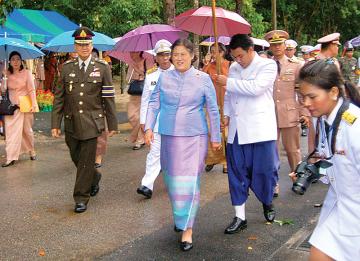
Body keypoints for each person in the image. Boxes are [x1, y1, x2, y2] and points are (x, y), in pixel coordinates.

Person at [144, 39, 221, 251]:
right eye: (175, 54)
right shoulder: (164, 77)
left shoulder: (203, 78)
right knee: (172, 181)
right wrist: (148, 128)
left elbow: (213, 110)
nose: (178, 58)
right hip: (168, 135)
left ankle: (187, 229)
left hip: (194, 137)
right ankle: (181, 217)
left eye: (182, 54)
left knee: (189, 182)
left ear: (192, 56)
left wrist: (216, 136)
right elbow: (154, 102)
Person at [215, 34, 279, 234]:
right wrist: (225, 114)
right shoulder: (234, 68)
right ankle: (239, 216)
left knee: (265, 171)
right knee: (236, 173)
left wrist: (227, 82)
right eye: (234, 57)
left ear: (250, 50)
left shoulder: (268, 66)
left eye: (241, 56)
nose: (238, 60)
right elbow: (229, 94)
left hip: (260, 130)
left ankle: (267, 201)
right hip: (237, 130)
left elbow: (256, 88)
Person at [297, 59, 360, 261]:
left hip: (355, 213)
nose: (306, 103)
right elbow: (333, 161)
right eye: (302, 97)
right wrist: (314, 170)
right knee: (318, 254)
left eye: (312, 96)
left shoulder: (355, 126)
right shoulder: (325, 119)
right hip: (340, 207)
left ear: (333, 92)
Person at [51, 26, 118, 213]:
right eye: (80, 45)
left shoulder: (102, 68)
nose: (84, 48)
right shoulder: (66, 69)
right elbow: (59, 98)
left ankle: (81, 197)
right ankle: (94, 177)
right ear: (75, 47)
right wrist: (55, 124)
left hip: (92, 122)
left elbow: (108, 98)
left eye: (87, 44)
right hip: (71, 122)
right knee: (77, 157)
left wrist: (112, 123)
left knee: (87, 160)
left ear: (92, 45)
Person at [265, 30, 310, 196]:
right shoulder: (265, 65)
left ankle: (298, 178)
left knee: (293, 149)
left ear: (285, 45)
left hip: (290, 113)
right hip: (268, 114)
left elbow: (302, 91)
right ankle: (273, 183)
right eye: (273, 44)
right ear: (270, 46)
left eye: (279, 44)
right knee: (271, 150)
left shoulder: (296, 65)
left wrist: (304, 111)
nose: (277, 47)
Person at [137, 40, 174, 199]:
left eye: (167, 54)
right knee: (154, 152)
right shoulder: (151, 74)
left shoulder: (179, 72)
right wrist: (143, 121)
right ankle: (147, 185)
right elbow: (145, 99)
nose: (165, 58)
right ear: (156, 57)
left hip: (175, 122)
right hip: (156, 121)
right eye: (161, 55)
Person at [0, 51, 38, 167]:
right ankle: (10, 157)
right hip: (11, 107)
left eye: (17, 59)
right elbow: (3, 90)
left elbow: (31, 90)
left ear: (21, 61)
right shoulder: (6, 73)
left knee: (27, 131)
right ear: (9, 62)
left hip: (25, 105)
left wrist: (34, 105)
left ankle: (31, 149)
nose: (15, 62)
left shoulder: (27, 73)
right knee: (11, 133)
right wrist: (3, 79)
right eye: (13, 59)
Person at [202, 42, 230, 173]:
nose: (213, 54)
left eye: (215, 51)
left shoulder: (230, 65)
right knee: (212, 131)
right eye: (211, 51)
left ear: (222, 52)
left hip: (226, 103)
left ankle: (226, 162)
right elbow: (201, 80)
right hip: (212, 104)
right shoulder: (208, 67)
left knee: (225, 133)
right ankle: (213, 159)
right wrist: (207, 65)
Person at [126, 51, 154, 150]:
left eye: (134, 52)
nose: (131, 54)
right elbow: (127, 79)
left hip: (144, 94)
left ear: (139, 52)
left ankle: (139, 139)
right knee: (132, 116)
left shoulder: (148, 62)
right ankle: (138, 137)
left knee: (141, 117)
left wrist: (140, 72)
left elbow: (152, 77)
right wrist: (133, 71)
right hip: (134, 94)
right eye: (131, 52)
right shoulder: (131, 64)